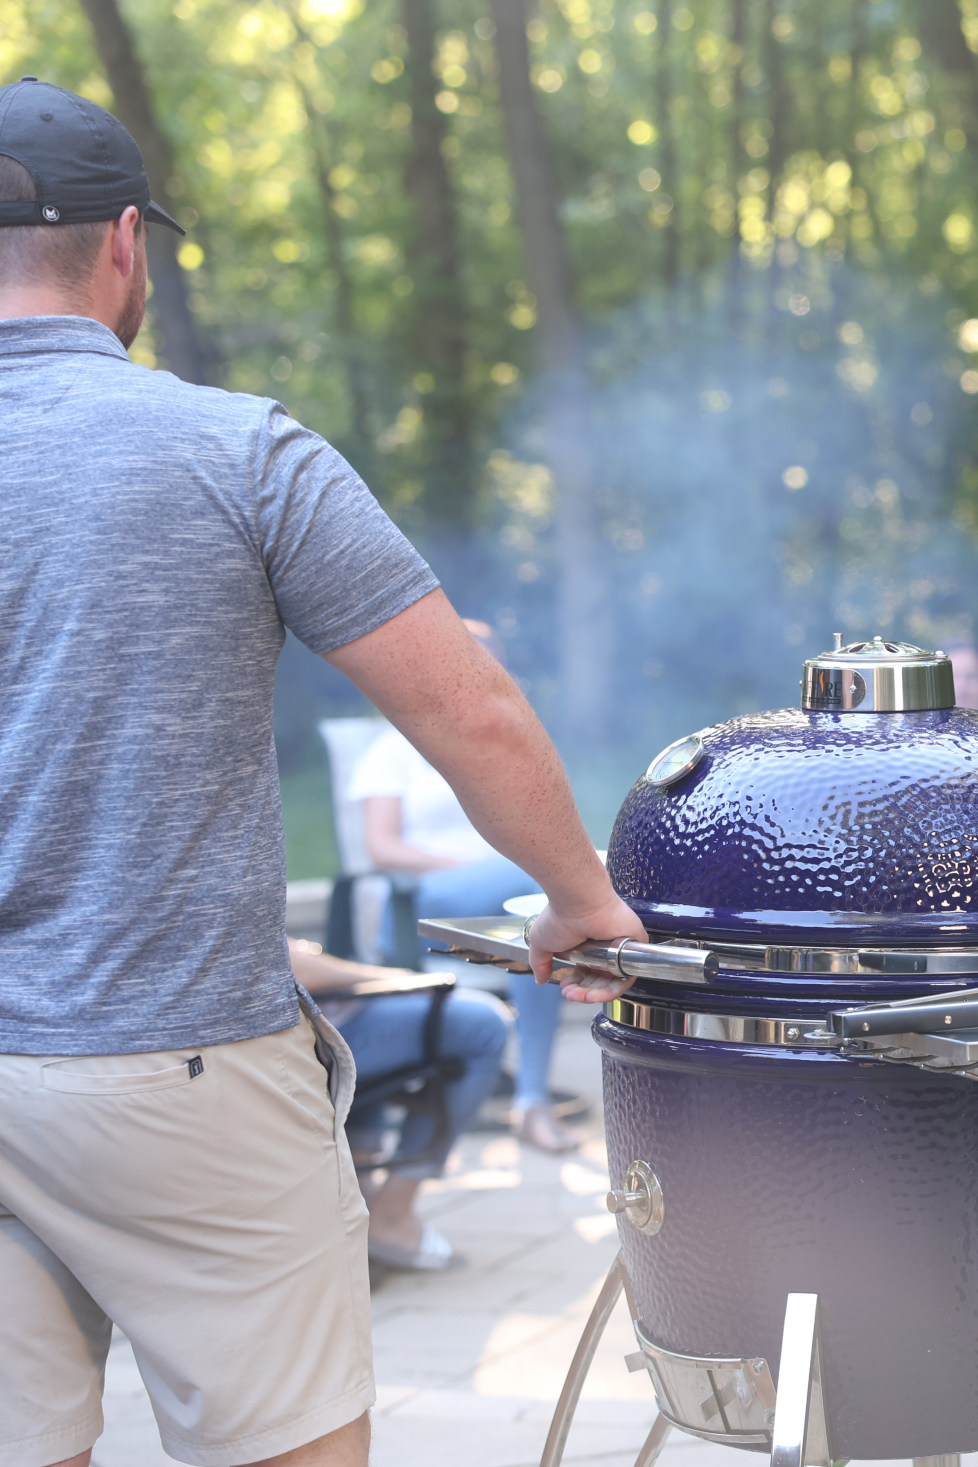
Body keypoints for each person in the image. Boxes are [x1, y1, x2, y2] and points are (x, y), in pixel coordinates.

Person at [0, 80, 646, 1467]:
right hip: (174, 1065)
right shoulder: (234, 449)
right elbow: (468, 708)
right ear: (126, 243)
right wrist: (580, 894)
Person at [348, 619, 578, 1153]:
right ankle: (533, 1099)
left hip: (503, 898)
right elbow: (382, 847)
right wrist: (469, 867)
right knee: (542, 883)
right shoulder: (392, 745)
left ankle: (530, 1102)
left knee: (538, 928)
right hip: (422, 903)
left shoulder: (497, 746)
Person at [288, 939, 511, 1272]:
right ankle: (392, 1214)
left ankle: (359, 1202)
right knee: (485, 1024)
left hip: (307, 1023)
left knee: (360, 1037)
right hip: (306, 1031)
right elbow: (286, 963)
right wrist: (391, 980)